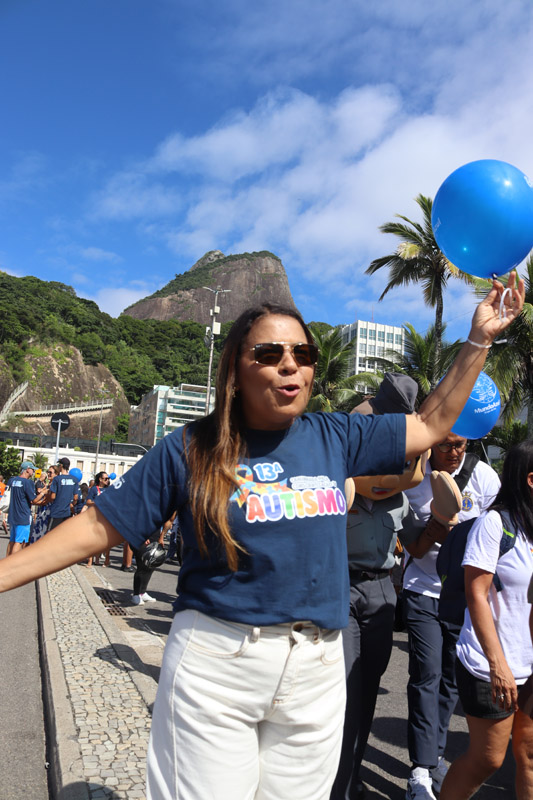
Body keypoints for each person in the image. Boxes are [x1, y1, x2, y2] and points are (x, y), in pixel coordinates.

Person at [0, 277, 525, 800]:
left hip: (317, 669)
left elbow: (432, 423)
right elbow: (95, 528)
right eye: (269, 352)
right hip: (217, 665)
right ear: (235, 368)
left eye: (303, 351)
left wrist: (479, 338)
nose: (290, 362)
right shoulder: (190, 448)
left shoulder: (336, 435)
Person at [330, 373, 426, 800]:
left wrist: (446, 521)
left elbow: (418, 544)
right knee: (344, 687)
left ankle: (352, 776)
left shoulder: (400, 497)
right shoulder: (339, 488)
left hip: (381, 592)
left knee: (368, 688)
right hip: (341, 589)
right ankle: (333, 782)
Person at [401, 433, 500, 799]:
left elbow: (497, 538)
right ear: (431, 444)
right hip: (422, 589)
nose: (454, 453)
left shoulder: (486, 478)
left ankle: (434, 756)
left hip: (463, 597)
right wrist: (437, 526)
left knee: (449, 682)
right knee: (426, 675)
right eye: (445, 445)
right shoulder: (412, 478)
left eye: (460, 445)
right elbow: (411, 544)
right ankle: (421, 769)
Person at [440, 440, 533, 800]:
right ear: (530, 480)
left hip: (529, 662)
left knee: (527, 753)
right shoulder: (494, 524)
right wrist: (498, 665)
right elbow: (475, 594)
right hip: (489, 662)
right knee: (488, 759)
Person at [3, 461, 37, 556]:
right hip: (23, 515)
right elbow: (33, 500)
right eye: (32, 469)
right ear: (27, 470)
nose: (33, 471)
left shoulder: (12, 480)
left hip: (13, 515)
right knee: (19, 541)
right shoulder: (27, 482)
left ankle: (6, 563)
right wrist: (43, 493)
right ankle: (12, 565)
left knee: (12, 540)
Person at [48, 457, 79, 531]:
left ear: (61, 466)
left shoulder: (57, 479)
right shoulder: (74, 479)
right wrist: (71, 504)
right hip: (67, 513)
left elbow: (53, 497)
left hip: (56, 511)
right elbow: (75, 498)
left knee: (51, 535)